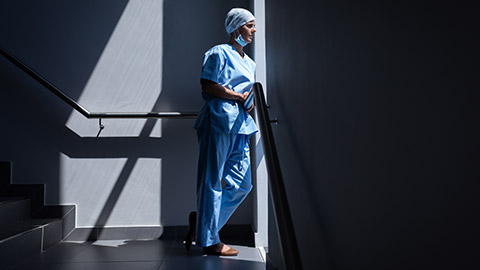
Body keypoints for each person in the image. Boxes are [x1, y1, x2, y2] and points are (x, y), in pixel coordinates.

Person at [185, 8, 258, 256]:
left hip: (241, 124)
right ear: (236, 28)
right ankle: (210, 241)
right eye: (249, 25)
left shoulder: (250, 62)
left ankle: (204, 224)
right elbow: (207, 84)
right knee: (211, 181)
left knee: (242, 184)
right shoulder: (219, 52)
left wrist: (248, 101)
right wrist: (237, 95)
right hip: (219, 120)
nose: (254, 30)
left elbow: (248, 94)